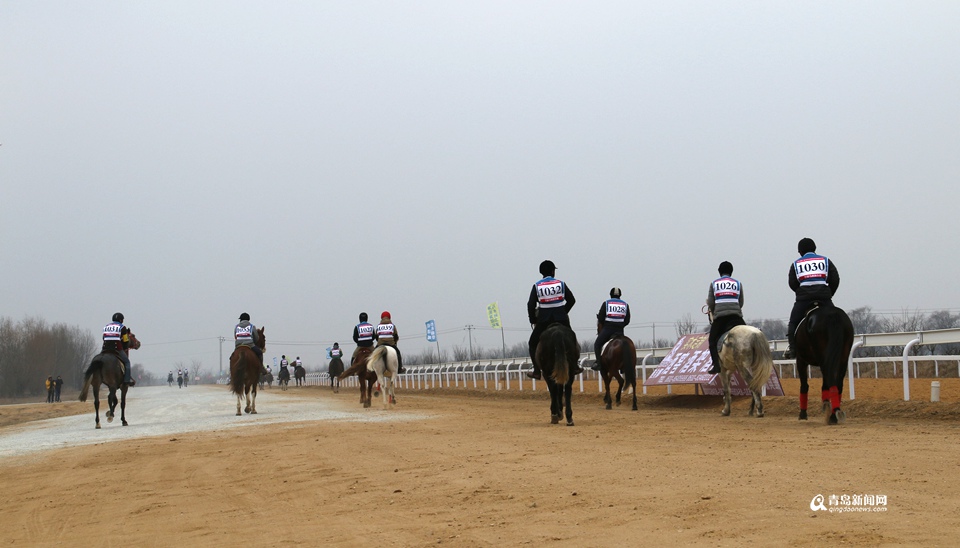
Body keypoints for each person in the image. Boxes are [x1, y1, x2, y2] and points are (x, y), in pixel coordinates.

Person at [783, 238, 840, 359]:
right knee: (836, 322)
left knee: (793, 322)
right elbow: (835, 279)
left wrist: (801, 293)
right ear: (815, 248)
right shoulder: (825, 260)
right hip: (824, 298)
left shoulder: (796, 264)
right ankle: (840, 344)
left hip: (804, 299)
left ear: (800, 251)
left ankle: (792, 349)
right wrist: (829, 294)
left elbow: (792, 283)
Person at [526, 260, 581, 380]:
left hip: (543, 321)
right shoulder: (561, 284)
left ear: (541, 272)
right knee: (572, 339)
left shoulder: (537, 286)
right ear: (552, 271)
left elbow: (530, 305)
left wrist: (533, 319)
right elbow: (572, 300)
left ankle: (536, 370)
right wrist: (563, 312)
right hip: (561, 320)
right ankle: (576, 366)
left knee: (532, 344)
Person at [706, 261, 746, 374]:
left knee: (712, 341)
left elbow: (711, 303)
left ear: (719, 272)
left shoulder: (714, 283)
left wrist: (715, 312)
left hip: (721, 318)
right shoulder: (738, 283)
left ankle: (717, 366)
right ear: (731, 272)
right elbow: (741, 302)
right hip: (736, 317)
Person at [592, 288, 631, 371]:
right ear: (620, 295)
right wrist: (620, 325)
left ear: (610, 295)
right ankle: (624, 364)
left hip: (608, 329)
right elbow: (627, 320)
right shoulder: (625, 305)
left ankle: (598, 363)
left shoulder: (606, 303)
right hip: (620, 330)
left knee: (597, 344)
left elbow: (601, 318)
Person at [102, 312, 135, 386]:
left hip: (105, 348)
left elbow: (104, 338)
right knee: (127, 363)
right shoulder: (122, 327)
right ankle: (127, 380)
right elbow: (126, 340)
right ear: (121, 320)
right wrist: (125, 348)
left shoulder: (106, 326)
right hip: (117, 348)